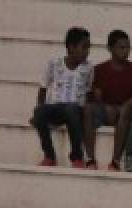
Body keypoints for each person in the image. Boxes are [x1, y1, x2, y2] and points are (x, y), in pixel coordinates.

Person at [32, 26, 92, 168]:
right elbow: (43, 89)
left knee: (71, 109)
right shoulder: (53, 64)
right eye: (84, 47)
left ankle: (77, 157)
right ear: (71, 47)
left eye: (89, 48)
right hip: (56, 107)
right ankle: (49, 156)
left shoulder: (89, 67)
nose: (87, 52)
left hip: (75, 109)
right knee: (39, 112)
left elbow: (88, 91)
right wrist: (39, 110)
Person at [84, 29, 132, 171]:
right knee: (88, 109)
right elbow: (93, 97)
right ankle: (90, 159)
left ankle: (115, 161)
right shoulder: (99, 69)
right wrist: (104, 105)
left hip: (125, 113)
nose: (126, 51)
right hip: (106, 111)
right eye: (121, 47)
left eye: (128, 47)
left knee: (126, 110)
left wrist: (129, 104)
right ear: (110, 48)